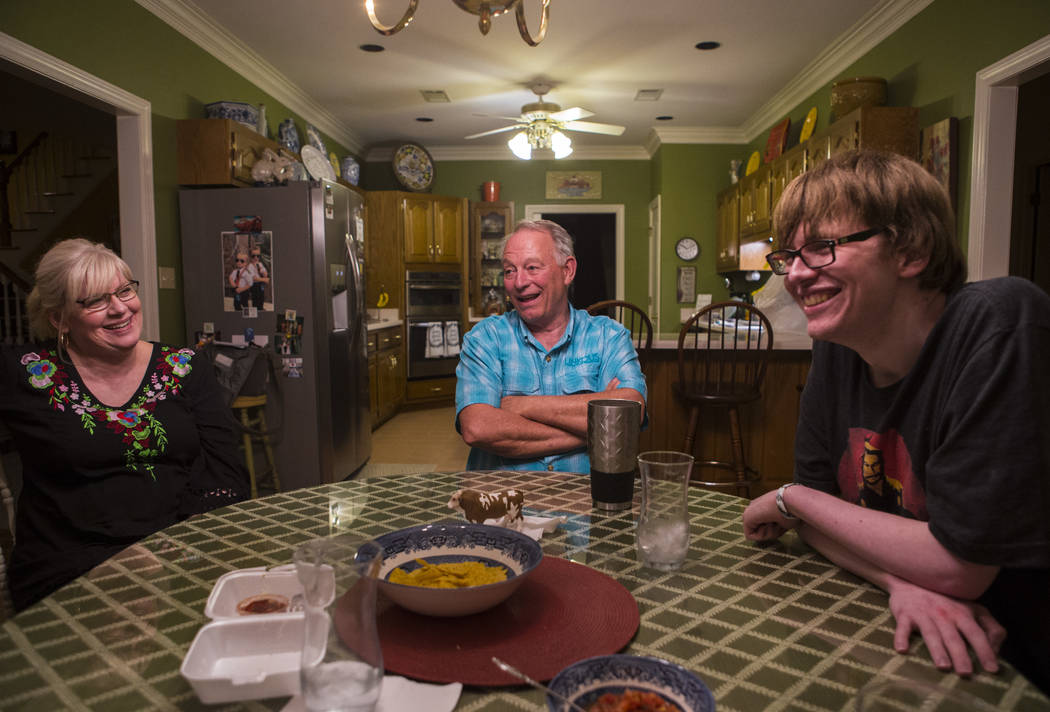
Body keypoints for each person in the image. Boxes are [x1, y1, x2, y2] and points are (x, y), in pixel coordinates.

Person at [741, 150, 1050, 692]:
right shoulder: (837, 349)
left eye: (821, 248)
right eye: (789, 254)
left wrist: (792, 497)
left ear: (911, 250)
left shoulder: (1001, 324)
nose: (793, 274)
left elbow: (961, 566)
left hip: (1016, 658)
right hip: (919, 640)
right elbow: (821, 526)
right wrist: (898, 579)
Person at [2, 238, 248, 612]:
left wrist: (178, 543)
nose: (120, 309)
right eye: (95, 301)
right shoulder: (25, 374)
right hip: (70, 566)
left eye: (124, 291)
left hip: (180, 550)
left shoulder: (184, 366)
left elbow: (225, 470)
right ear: (59, 318)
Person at [455, 219, 646, 472]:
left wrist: (521, 406)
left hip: (585, 503)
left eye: (532, 267)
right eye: (509, 270)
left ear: (567, 271)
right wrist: (592, 429)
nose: (519, 282)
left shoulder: (608, 336)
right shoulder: (484, 339)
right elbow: (478, 428)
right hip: (502, 504)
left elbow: (629, 414)